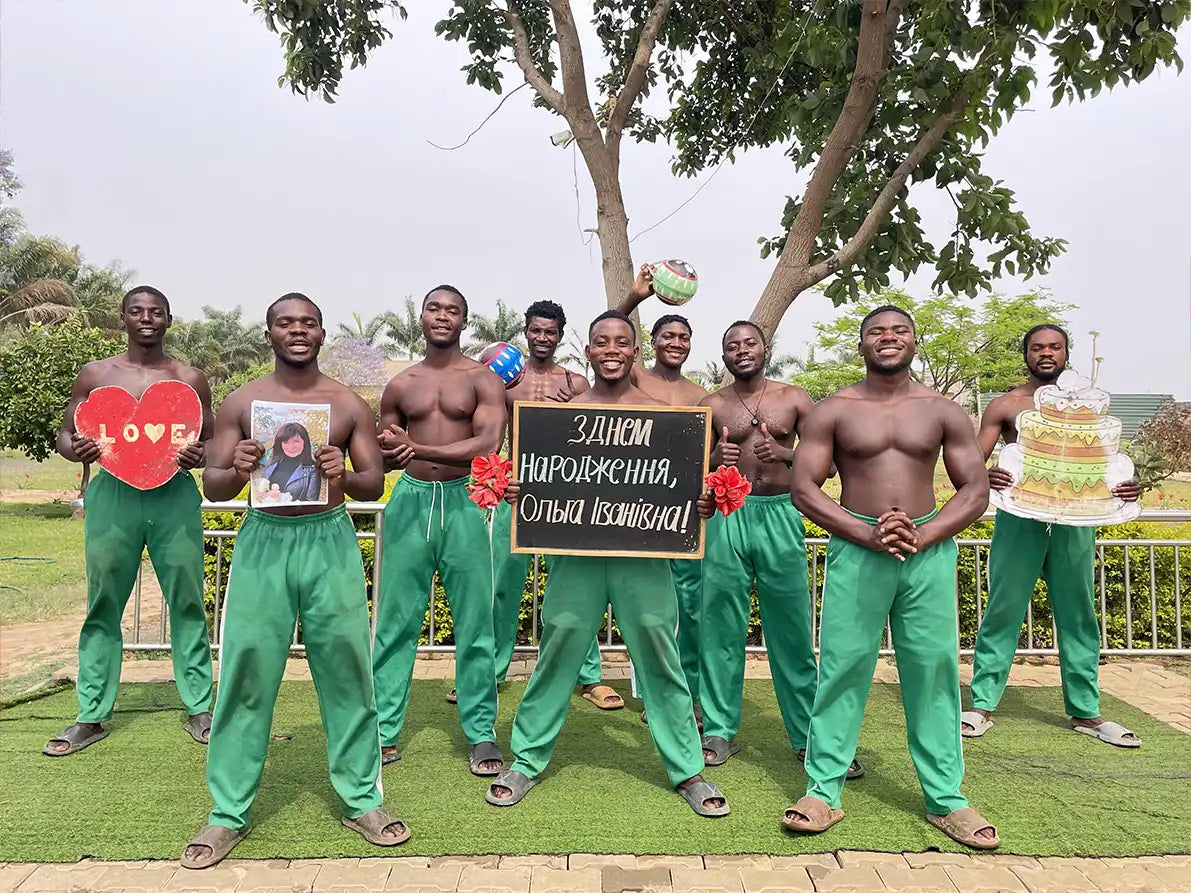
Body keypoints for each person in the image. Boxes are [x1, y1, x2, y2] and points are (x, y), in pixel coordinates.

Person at [182, 293, 406, 869]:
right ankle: (227, 811)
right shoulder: (242, 402)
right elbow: (214, 487)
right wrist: (238, 468)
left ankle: (362, 799)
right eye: (286, 323)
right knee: (247, 671)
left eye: (308, 323)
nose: (298, 331)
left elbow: (373, 482)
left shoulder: (346, 403)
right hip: (264, 542)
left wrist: (342, 474)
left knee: (347, 670)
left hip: (329, 542)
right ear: (269, 335)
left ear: (322, 334)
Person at [485, 311, 729, 818]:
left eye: (622, 342)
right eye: (601, 342)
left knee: (660, 657)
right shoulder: (559, 418)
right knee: (556, 652)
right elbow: (538, 479)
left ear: (635, 353)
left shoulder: (665, 417)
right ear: (589, 351)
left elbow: (686, 488)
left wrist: (700, 502)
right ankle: (526, 759)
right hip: (577, 559)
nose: (612, 350)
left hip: (645, 561)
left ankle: (687, 768)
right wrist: (519, 491)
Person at [784, 306, 998, 850]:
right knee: (842, 668)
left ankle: (946, 799)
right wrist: (866, 532)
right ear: (861, 346)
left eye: (900, 330)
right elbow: (804, 488)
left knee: (933, 670)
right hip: (859, 552)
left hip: (927, 552)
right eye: (876, 332)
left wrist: (923, 535)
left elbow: (975, 489)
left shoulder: (943, 410)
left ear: (914, 342)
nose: (888, 337)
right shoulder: (834, 410)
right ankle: (822, 791)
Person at [44, 286, 215, 757]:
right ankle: (91, 714)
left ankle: (200, 707)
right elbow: (65, 434)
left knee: (186, 600)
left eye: (156, 312)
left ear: (169, 320)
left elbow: (212, 441)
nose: (146, 319)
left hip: (173, 495)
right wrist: (75, 448)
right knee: (104, 602)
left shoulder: (190, 378)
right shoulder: (96, 374)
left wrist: (200, 455)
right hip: (113, 495)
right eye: (136, 312)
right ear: (122, 319)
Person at [963, 324, 1142, 746]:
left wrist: (1127, 488)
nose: (1046, 353)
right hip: (1020, 520)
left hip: (1076, 523)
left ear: (1066, 353)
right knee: (1003, 610)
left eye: (1054, 347)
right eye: (1037, 347)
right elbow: (969, 463)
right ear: (1025, 354)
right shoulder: (1006, 405)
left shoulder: (1091, 406)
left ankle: (1086, 711)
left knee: (1079, 614)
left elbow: (1108, 465)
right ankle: (982, 705)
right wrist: (984, 475)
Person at [694, 320, 856, 777]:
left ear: (766, 349)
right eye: (732, 346)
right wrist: (714, 460)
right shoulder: (711, 405)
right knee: (720, 628)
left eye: (750, 343)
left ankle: (809, 736)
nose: (742, 350)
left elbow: (829, 463)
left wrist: (785, 455)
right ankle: (718, 729)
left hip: (780, 513)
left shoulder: (795, 398)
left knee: (791, 631)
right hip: (727, 514)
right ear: (723, 356)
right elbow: (689, 468)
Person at [372, 285, 507, 776]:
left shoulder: (482, 380)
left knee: (476, 622)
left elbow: (488, 442)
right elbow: (386, 453)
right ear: (423, 317)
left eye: (453, 310)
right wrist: (390, 451)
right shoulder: (400, 383)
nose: (442, 316)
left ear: (464, 321)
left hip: (463, 501)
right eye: (434, 308)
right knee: (395, 620)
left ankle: (481, 733)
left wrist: (420, 448)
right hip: (409, 500)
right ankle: (382, 730)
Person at [487, 300, 623, 712]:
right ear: (525, 332)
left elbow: (595, 437)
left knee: (574, 587)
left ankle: (589, 677)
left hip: (565, 498)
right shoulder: (505, 381)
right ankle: (489, 674)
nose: (542, 337)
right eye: (536, 330)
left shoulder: (576, 383)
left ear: (560, 336)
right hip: (517, 492)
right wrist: (495, 481)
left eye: (550, 332)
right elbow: (490, 435)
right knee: (502, 587)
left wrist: (570, 411)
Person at [616, 265, 707, 727]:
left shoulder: (701, 396)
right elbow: (609, 336)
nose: (675, 342)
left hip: (686, 511)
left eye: (682, 337)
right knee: (647, 609)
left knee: (688, 608)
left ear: (690, 345)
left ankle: (685, 692)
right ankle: (651, 693)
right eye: (667, 335)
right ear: (651, 343)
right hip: (639, 507)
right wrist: (635, 298)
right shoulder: (634, 378)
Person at [260, 421, 321, 502]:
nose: (291, 447)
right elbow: (259, 494)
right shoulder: (271, 464)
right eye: (286, 442)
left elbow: (311, 502)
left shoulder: (312, 469)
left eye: (296, 441)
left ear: (305, 442)